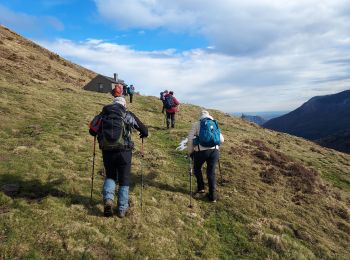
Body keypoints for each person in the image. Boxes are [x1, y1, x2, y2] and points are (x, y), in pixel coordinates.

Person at [89, 96, 148, 218]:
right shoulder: (126, 114)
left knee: (110, 175)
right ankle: (121, 209)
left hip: (107, 151)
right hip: (124, 152)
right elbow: (144, 130)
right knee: (124, 179)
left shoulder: (103, 114)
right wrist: (142, 133)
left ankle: (108, 200)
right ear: (124, 105)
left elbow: (92, 130)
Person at [187, 110, 224, 202]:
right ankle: (213, 196)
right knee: (211, 172)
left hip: (201, 152)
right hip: (214, 151)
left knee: (197, 168)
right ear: (209, 116)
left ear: (200, 116)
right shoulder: (214, 123)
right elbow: (222, 139)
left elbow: (190, 139)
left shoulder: (197, 124)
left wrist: (190, 152)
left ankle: (201, 189)